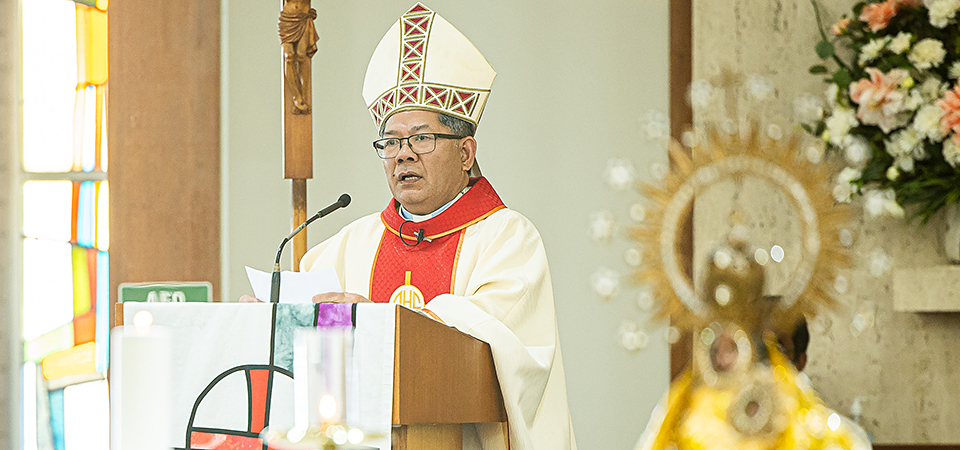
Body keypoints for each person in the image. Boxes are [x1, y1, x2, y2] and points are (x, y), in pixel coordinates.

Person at [246, 4, 576, 449]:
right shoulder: (347, 247)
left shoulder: (507, 241)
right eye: (391, 142)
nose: (403, 154)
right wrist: (268, 320)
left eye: (422, 138)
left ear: (465, 152)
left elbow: (496, 340)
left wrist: (379, 321)